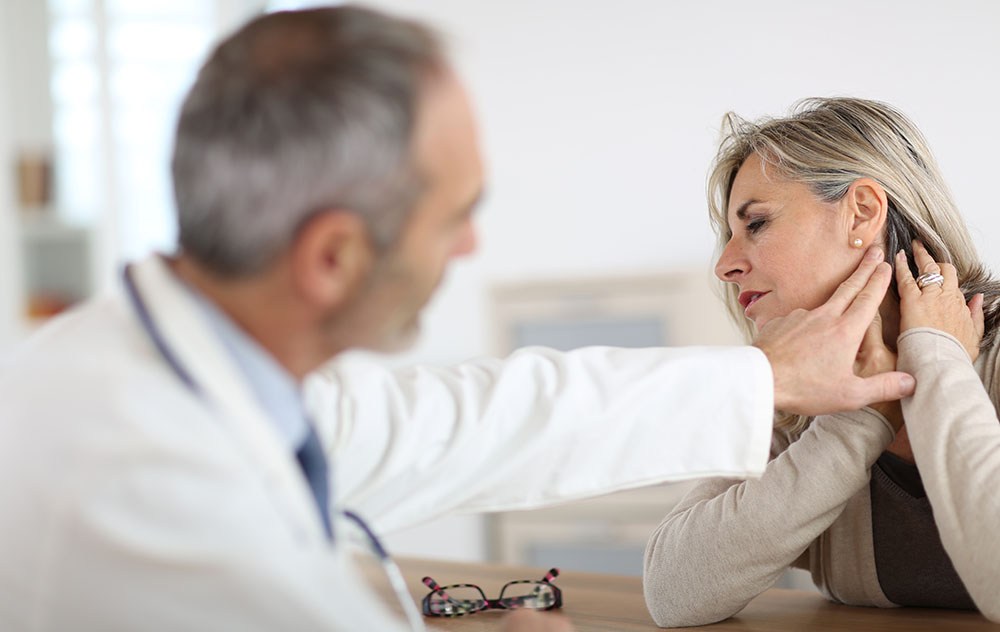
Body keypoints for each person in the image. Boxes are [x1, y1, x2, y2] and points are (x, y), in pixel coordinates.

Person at [0, 8, 912, 631]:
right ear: (333, 257)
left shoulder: (213, 376)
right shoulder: (147, 493)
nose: (471, 247)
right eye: (453, 217)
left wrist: (761, 379)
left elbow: (478, 416)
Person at [643, 97, 1000, 626]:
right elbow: (673, 592)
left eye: (756, 223)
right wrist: (861, 418)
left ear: (862, 213)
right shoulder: (798, 400)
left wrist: (934, 355)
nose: (725, 265)